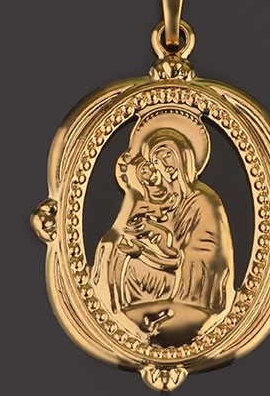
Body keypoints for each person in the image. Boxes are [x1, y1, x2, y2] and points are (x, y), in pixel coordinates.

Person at [91, 109, 235, 341]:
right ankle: (125, 312)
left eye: (168, 155)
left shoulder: (204, 200)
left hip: (193, 280)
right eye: (156, 161)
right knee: (119, 257)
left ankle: (155, 314)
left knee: (135, 268)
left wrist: (157, 251)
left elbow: (206, 252)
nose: (163, 164)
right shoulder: (162, 201)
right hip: (168, 266)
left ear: (183, 158)